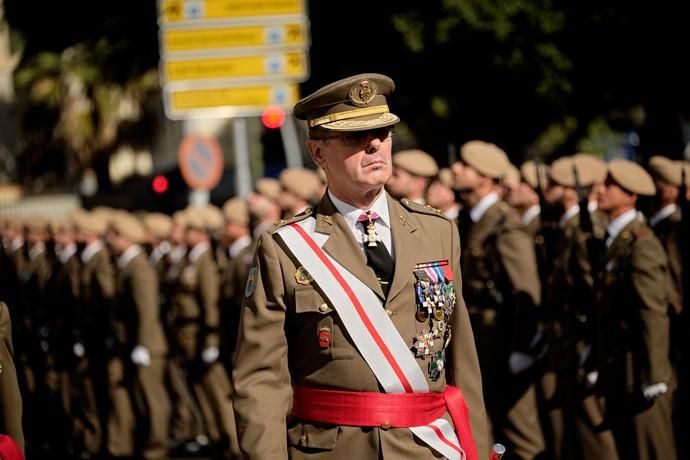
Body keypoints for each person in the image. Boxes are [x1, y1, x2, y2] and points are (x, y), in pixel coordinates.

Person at [232, 73, 489, 459]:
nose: (375, 145)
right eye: (354, 137)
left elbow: (463, 362)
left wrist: (478, 448)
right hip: (333, 448)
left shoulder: (438, 231)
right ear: (318, 153)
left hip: (427, 447)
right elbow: (261, 379)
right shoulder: (285, 247)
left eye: (383, 134)